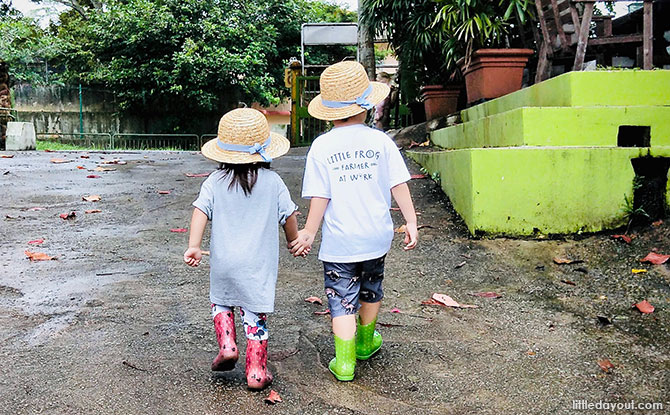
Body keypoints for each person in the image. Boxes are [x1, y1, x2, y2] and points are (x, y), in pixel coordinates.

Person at [290, 61, 418, 382]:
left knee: (341, 298)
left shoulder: (322, 146)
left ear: (329, 112)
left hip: (340, 243)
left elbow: (321, 196)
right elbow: (398, 184)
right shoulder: (381, 141)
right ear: (366, 106)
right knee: (371, 287)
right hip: (376, 237)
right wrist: (411, 221)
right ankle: (364, 342)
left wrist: (308, 231)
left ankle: (345, 362)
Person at [184, 108, 299, 390]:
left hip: (223, 262)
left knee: (221, 301)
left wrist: (194, 246)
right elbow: (289, 216)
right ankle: (256, 371)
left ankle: (227, 345)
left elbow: (200, 210)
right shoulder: (273, 182)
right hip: (257, 267)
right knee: (254, 314)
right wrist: (292, 240)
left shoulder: (215, 181)